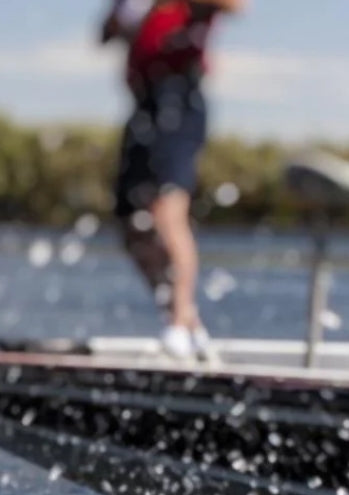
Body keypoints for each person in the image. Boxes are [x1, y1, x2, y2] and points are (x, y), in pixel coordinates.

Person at [101, 0, 246, 362]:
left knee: (166, 211)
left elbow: (237, 5)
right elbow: (105, 35)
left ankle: (180, 324)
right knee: (130, 222)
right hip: (144, 104)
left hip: (179, 99)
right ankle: (188, 324)